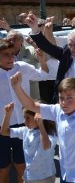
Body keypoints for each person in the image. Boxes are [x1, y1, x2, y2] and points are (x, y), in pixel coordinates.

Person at [10, 72, 75, 183]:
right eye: (61, 98)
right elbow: (31, 106)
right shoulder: (57, 110)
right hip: (66, 172)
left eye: (69, 98)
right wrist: (17, 87)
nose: (64, 102)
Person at [0, 39, 55, 183]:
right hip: (2, 126)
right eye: (6, 55)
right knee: (2, 168)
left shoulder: (22, 67)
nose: (11, 57)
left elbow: (45, 75)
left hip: (25, 124)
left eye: (13, 54)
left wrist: (42, 61)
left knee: (22, 165)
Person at [26, 11, 75, 100]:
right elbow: (47, 47)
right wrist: (35, 29)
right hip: (66, 101)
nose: (72, 48)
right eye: (70, 44)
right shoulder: (66, 53)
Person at [1, 103, 57, 183]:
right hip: (29, 176)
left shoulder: (50, 133)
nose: (24, 121)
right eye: (24, 118)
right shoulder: (25, 131)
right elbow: (4, 132)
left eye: (28, 118)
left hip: (45, 177)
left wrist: (40, 124)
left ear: (38, 117)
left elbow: (45, 146)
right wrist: (8, 114)